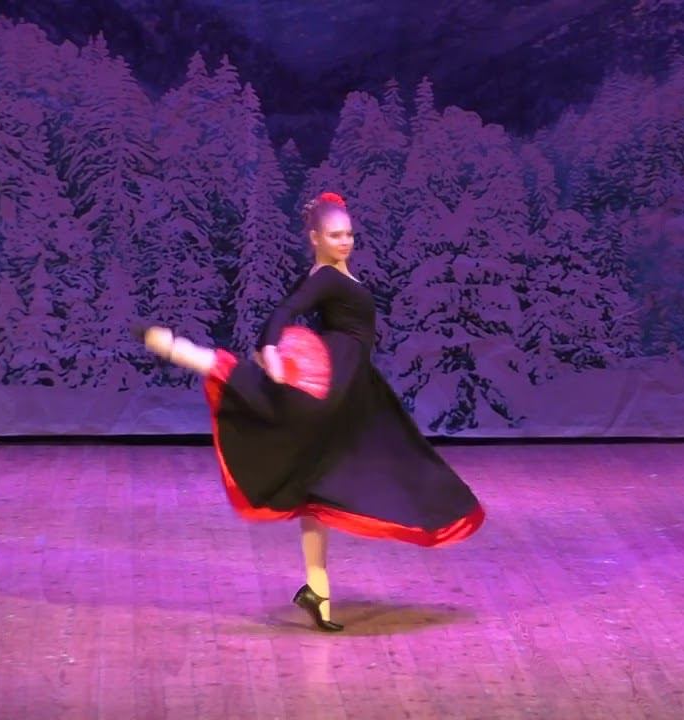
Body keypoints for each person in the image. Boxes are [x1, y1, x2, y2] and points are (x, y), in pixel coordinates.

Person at [141, 191, 485, 632]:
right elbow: (285, 310)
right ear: (315, 238)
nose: (345, 242)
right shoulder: (325, 278)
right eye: (335, 235)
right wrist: (269, 348)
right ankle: (187, 352)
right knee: (384, 455)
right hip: (334, 380)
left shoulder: (333, 275)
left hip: (355, 386)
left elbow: (289, 309)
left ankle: (317, 592)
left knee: (317, 484)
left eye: (349, 234)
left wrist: (271, 346)